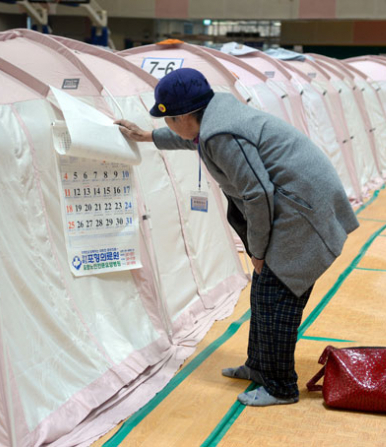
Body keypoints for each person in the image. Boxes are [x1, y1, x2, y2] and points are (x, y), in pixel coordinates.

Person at [115, 68, 359, 406]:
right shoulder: (213, 115)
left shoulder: (220, 133)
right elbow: (189, 138)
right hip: (294, 202)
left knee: (277, 298)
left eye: (169, 119)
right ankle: (259, 366)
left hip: (302, 214)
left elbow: (258, 194)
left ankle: (280, 387)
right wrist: (148, 137)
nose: (168, 124)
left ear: (186, 115)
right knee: (261, 293)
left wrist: (257, 251)